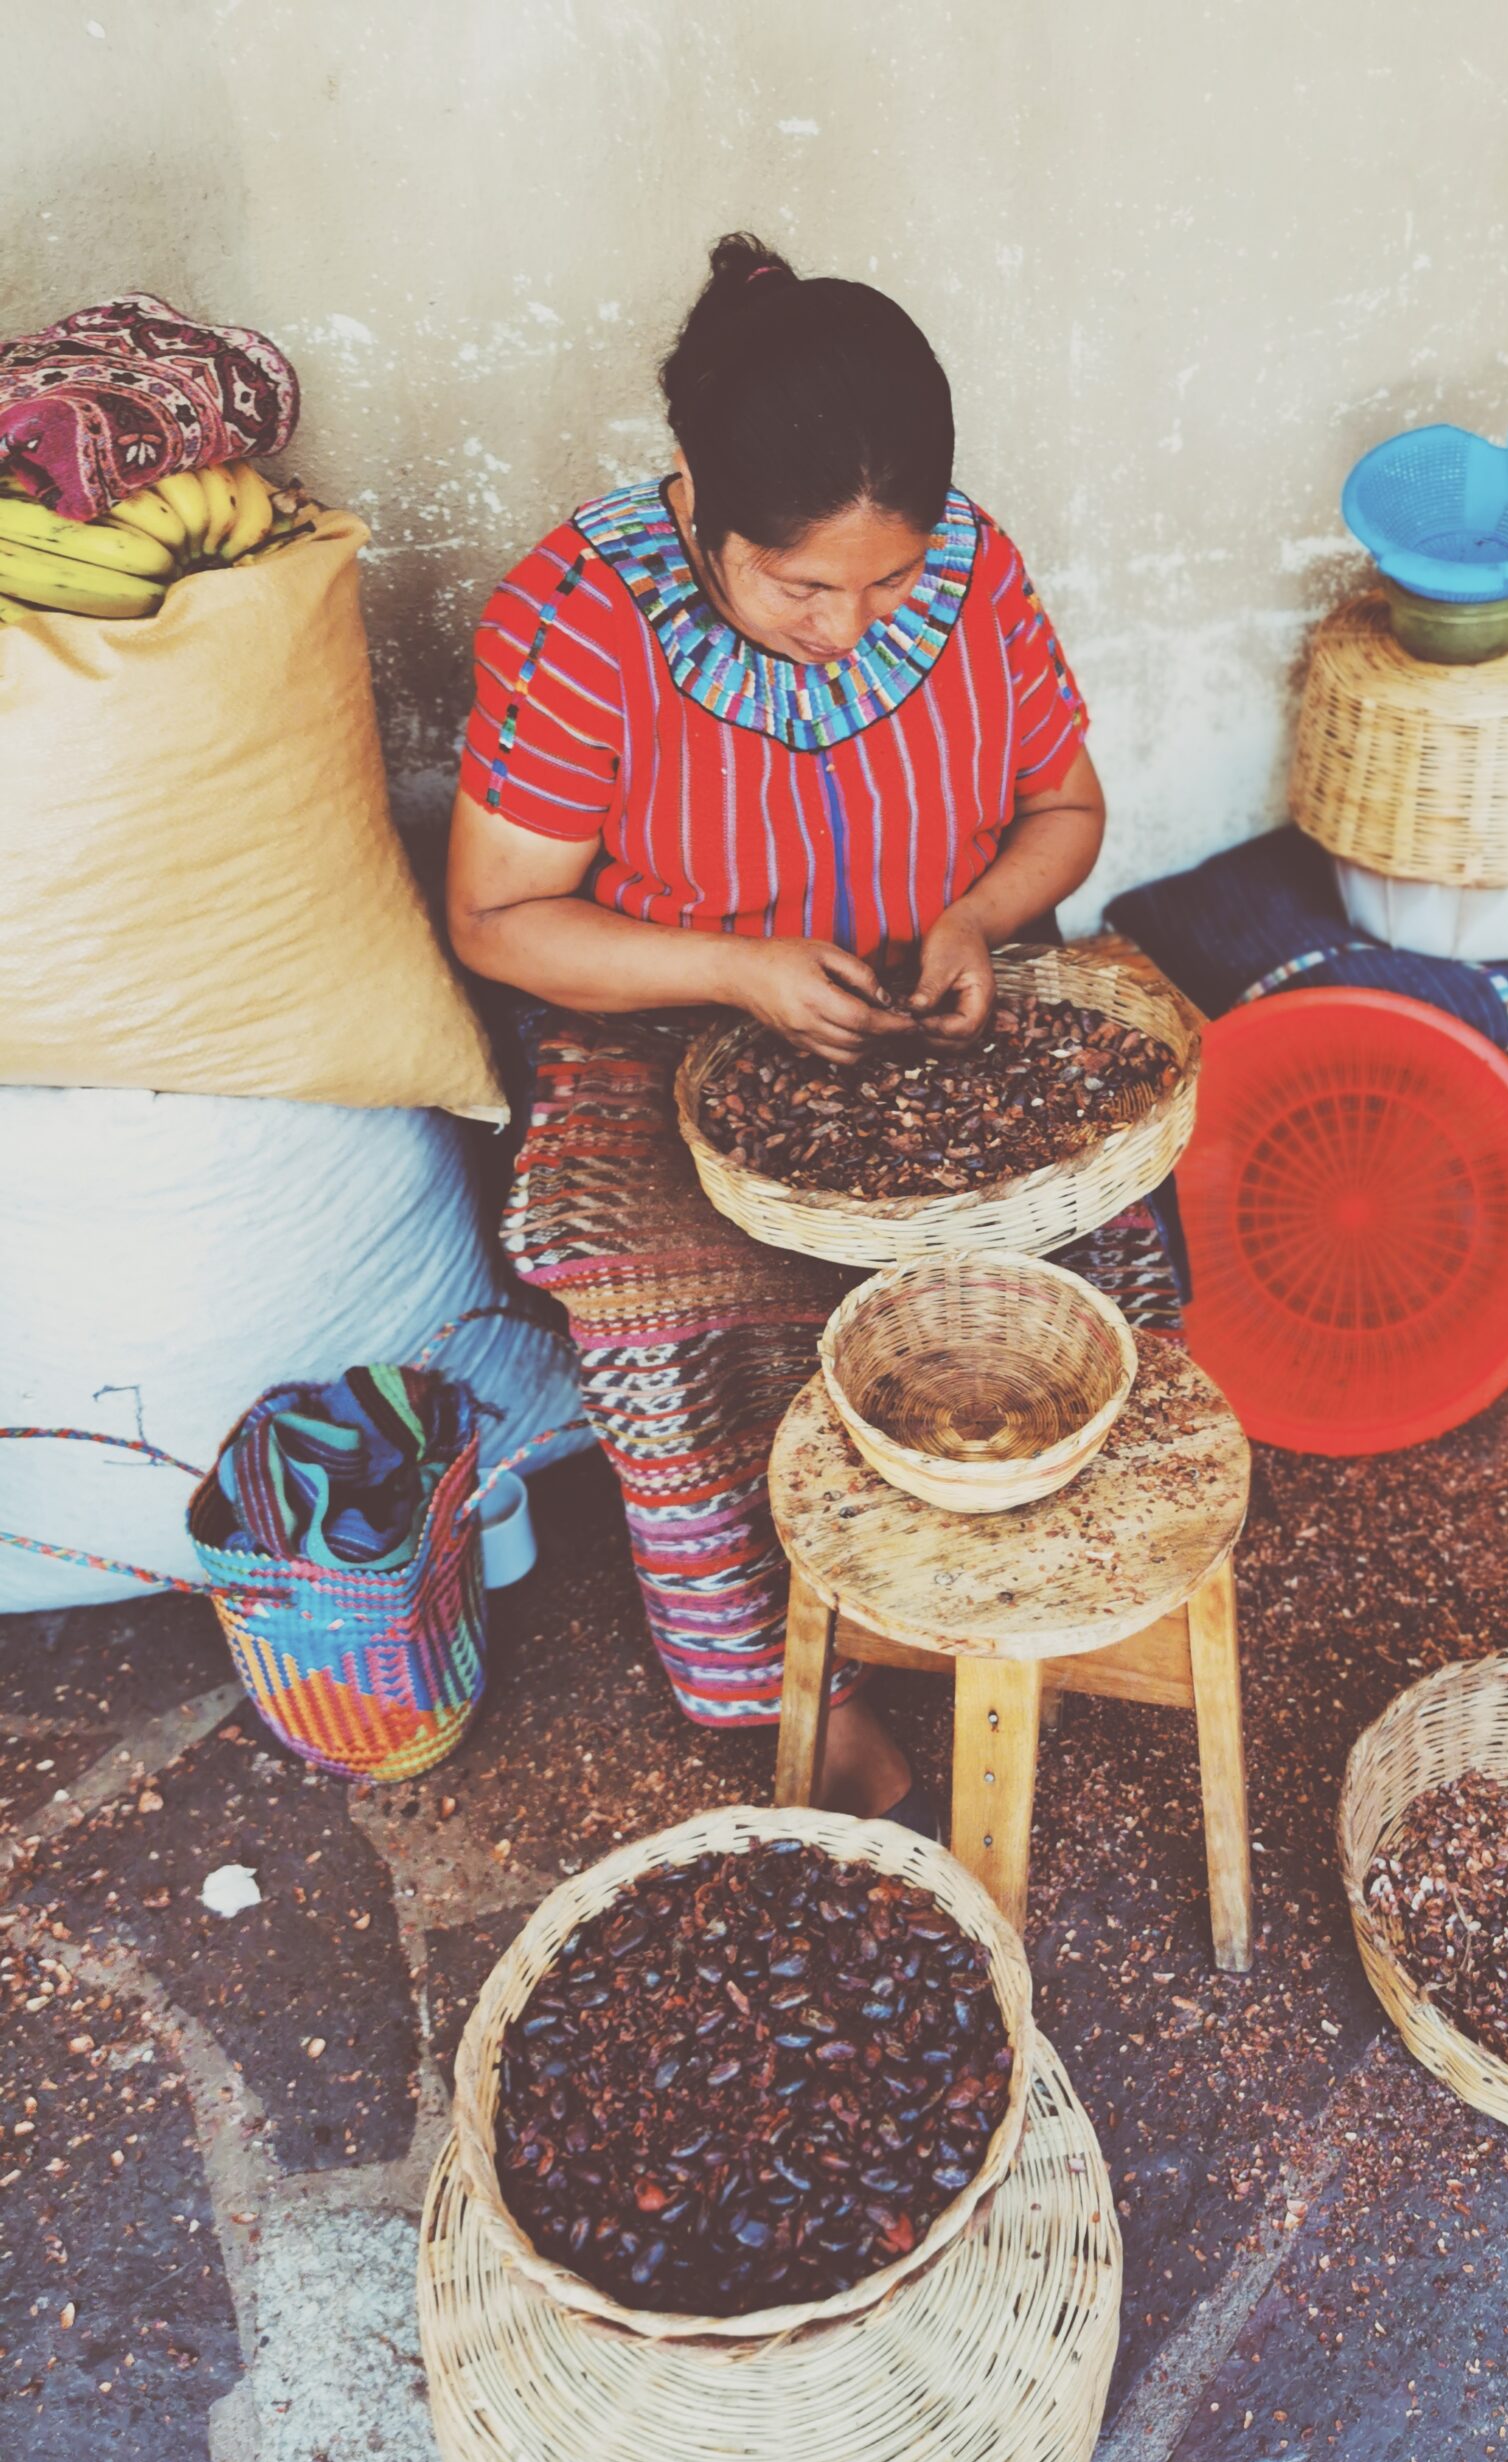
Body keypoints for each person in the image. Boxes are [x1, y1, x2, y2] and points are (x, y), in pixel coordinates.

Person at [449, 234, 1180, 1828]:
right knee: (673, 1326)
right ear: (699, 510)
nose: (850, 625)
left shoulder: (977, 573)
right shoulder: (582, 620)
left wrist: (979, 917)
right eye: (799, 585)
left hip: (933, 997)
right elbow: (500, 920)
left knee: (1097, 1253)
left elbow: (1064, 804)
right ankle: (794, 1677)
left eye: (887, 579)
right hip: (656, 1026)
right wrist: (738, 973)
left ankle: (994, 1592)